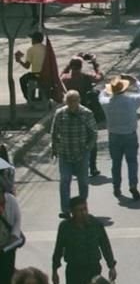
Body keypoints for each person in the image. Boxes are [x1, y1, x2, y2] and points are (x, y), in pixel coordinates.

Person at [100, 74, 140, 201]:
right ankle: (133, 184)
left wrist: (107, 86)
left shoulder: (106, 103)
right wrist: (136, 81)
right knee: (132, 162)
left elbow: (101, 95)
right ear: (124, 89)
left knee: (116, 163)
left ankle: (116, 186)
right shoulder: (131, 101)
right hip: (130, 135)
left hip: (114, 136)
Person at [50, 90, 97, 218]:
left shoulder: (86, 114)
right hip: (65, 154)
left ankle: (82, 208)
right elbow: (54, 132)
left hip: (81, 154)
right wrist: (54, 148)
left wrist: (88, 148)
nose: (72, 104)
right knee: (64, 181)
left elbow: (93, 133)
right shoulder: (60, 114)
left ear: (79, 101)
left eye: (74, 101)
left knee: (83, 182)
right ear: (66, 101)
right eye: (69, 101)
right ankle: (66, 210)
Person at [61, 55, 105, 176]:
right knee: (91, 139)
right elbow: (99, 77)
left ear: (71, 66)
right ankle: (93, 167)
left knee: (74, 140)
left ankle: (76, 167)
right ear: (81, 67)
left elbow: (60, 77)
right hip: (86, 110)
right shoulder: (85, 77)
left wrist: (67, 66)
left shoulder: (66, 78)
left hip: (70, 112)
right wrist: (95, 64)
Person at [0, 192, 24, 284]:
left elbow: (17, 220)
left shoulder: (11, 200)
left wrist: (13, 237)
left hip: (9, 245)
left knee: (7, 274)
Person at [15, 31, 46, 102]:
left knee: (22, 79)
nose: (31, 40)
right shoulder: (46, 48)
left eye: (32, 39)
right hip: (46, 73)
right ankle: (38, 97)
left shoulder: (31, 49)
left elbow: (27, 66)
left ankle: (28, 98)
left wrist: (19, 60)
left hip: (36, 74)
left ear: (35, 39)